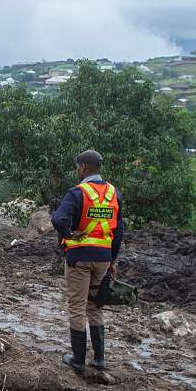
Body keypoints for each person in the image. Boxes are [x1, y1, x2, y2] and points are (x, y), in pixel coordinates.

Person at [51, 150, 125, 374]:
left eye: (78, 167)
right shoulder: (113, 193)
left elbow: (58, 219)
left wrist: (69, 235)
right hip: (103, 258)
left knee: (77, 307)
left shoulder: (77, 193)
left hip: (80, 258)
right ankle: (99, 359)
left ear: (83, 167)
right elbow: (119, 231)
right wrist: (112, 260)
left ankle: (79, 360)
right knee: (95, 306)